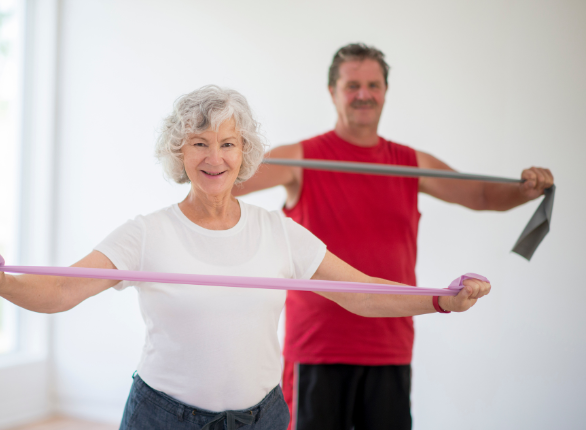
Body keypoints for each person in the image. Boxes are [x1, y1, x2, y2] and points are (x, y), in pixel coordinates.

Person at [0, 85, 491, 430]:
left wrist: (441, 300)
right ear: (178, 153)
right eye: (198, 143)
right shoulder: (145, 233)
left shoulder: (279, 232)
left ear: (246, 154)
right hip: (163, 417)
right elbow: (61, 290)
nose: (215, 158)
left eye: (229, 144)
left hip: (261, 418)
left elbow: (361, 292)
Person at [233, 44, 554, 430]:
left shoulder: (409, 163)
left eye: (373, 84)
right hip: (317, 348)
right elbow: (229, 184)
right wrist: (208, 152)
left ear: (385, 91)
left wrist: (525, 190)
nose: (364, 94)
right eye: (352, 85)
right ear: (332, 91)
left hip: (389, 344)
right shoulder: (301, 158)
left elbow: (482, 194)